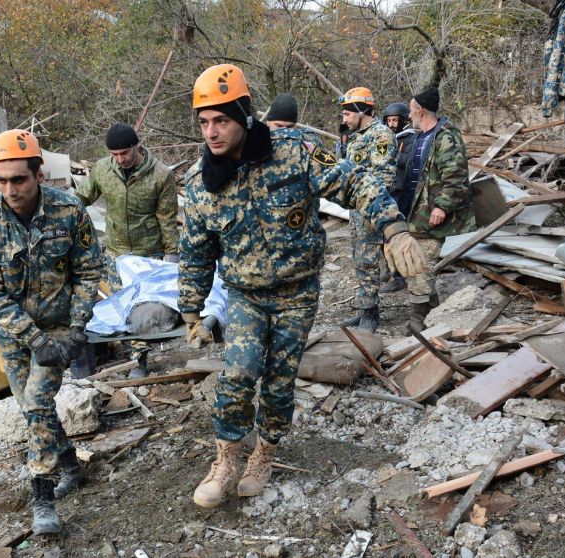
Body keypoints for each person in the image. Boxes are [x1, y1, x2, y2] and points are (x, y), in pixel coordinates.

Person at [179, 64, 424, 509]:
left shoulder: (294, 153)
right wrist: (191, 308)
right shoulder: (201, 183)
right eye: (204, 122)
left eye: (221, 121)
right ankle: (226, 459)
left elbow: (354, 180)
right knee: (238, 373)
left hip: (296, 293)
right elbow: (196, 250)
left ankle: (264, 454)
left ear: (244, 116)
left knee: (279, 379)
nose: (211, 132)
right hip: (246, 295)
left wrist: (394, 227)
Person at [0, 130, 103, 535]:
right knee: (31, 408)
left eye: (19, 180)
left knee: (39, 402)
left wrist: (76, 328)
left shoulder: (69, 211)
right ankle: (70, 465)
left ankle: (42, 497)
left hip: (59, 326)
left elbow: (88, 271)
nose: (10, 189)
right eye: (1, 181)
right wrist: (33, 339)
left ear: (39, 175)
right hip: (14, 333)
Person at [76, 122, 179, 378]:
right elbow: (80, 199)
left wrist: (171, 256)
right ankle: (132, 357)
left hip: (148, 254)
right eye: (115, 154)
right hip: (116, 252)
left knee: (140, 308)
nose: (120, 159)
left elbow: (168, 219)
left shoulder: (160, 175)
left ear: (136, 146)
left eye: (125, 153)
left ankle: (140, 360)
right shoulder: (102, 170)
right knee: (122, 307)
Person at [399, 87, 476, 331]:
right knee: (416, 265)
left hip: (431, 215)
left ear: (420, 110)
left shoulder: (446, 137)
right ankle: (433, 311)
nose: (409, 115)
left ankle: (418, 320)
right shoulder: (420, 137)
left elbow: (456, 178)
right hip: (414, 214)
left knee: (419, 266)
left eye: (411, 110)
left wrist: (442, 207)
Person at [338, 87, 397, 332]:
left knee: (370, 260)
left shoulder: (380, 135)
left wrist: (369, 205)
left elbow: (384, 176)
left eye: (347, 114)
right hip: (356, 208)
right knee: (360, 259)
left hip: (370, 208)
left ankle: (371, 314)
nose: (344, 119)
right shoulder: (357, 136)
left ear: (362, 112)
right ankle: (365, 307)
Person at [378, 102, 417, 293]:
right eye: (389, 121)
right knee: (383, 235)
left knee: (396, 234)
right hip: (388, 191)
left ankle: (399, 277)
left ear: (403, 121)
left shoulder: (410, 138)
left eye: (395, 120)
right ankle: (390, 269)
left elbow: (408, 161)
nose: (392, 124)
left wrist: (391, 152)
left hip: (402, 193)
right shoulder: (386, 137)